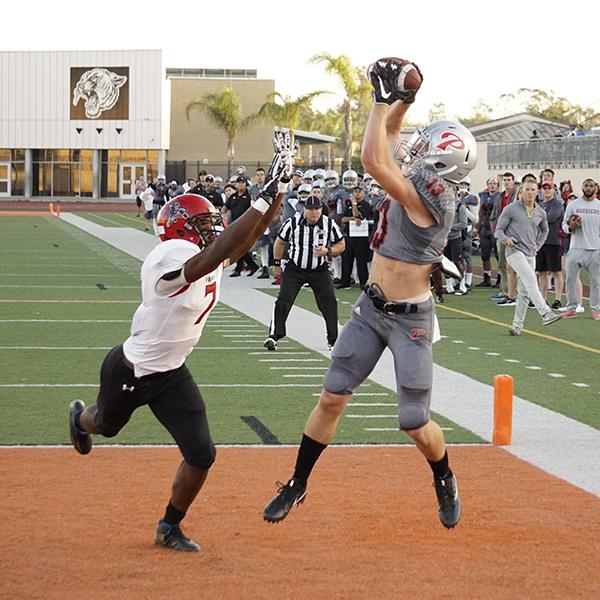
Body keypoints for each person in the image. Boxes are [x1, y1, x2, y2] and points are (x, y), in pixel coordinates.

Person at [263, 57, 476, 530]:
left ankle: (444, 475)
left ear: (443, 163)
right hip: (370, 308)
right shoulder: (427, 178)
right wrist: (404, 98)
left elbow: (374, 158)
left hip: (410, 320)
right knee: (333, 396)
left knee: (413, 420)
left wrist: (382, 100)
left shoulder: (436, 201)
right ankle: (297, 483)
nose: (417, 150)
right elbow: (393, 141)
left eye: (428, 148)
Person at [68, 132, 295, 553]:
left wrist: (278, 191)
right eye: (205, 224)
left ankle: (168, 525)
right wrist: (262, 196)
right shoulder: (168, 255)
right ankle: (79, 419)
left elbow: (246, 238)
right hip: (133, 370)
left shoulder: (205, 249)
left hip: (171, 372)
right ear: (182, 229)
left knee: (202, 454)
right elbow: (213, 256)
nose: (214, 229)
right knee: (105, 425)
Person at [264, 195, 345, 351]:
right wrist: (276, 264)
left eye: (317, 209)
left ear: (321, 210)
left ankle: (333, 340)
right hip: (295, 268)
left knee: (329, 303)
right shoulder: (292, 223)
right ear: (304, 210)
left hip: (319, 269)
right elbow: (280, 242)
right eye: (310, 210)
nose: (314, 213)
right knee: (283, 300)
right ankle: (274, 336)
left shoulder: (329, 223)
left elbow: (341, 244)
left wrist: (329, 250)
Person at [494, 179, 563, 335]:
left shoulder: (540, 212)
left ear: (537, 192)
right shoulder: (511, 209)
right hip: (514, 252)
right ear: (521, 191)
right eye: (527, 189)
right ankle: (546, 313)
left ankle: (517, 327)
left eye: (533, 189)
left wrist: (538, 244)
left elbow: (545, 230)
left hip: (531, 253)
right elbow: (498, 230)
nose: (530, 192)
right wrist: (506, 239)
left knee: (525, 292)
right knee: (532, 280)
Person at [561, 179, 600, 320]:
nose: (588, 188)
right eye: (586, 185)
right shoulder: (573, 204)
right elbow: (564, 224)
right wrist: (571, 227)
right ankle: (571, 308)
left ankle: (595, 310)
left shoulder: (599, 206)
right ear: (582, 187)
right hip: (576, 248)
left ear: (595, 188)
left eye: (591, 186)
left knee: (596, 282)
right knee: (570, 279)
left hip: (595, 249)